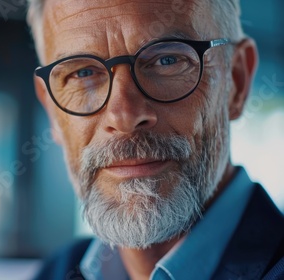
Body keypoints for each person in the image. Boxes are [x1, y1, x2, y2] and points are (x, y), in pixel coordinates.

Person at [26, 0, 284, 279]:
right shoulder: (55, 271)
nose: (124, 116)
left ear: (237, 81)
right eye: (83, 73)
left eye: (167, 60)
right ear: (51, 109)